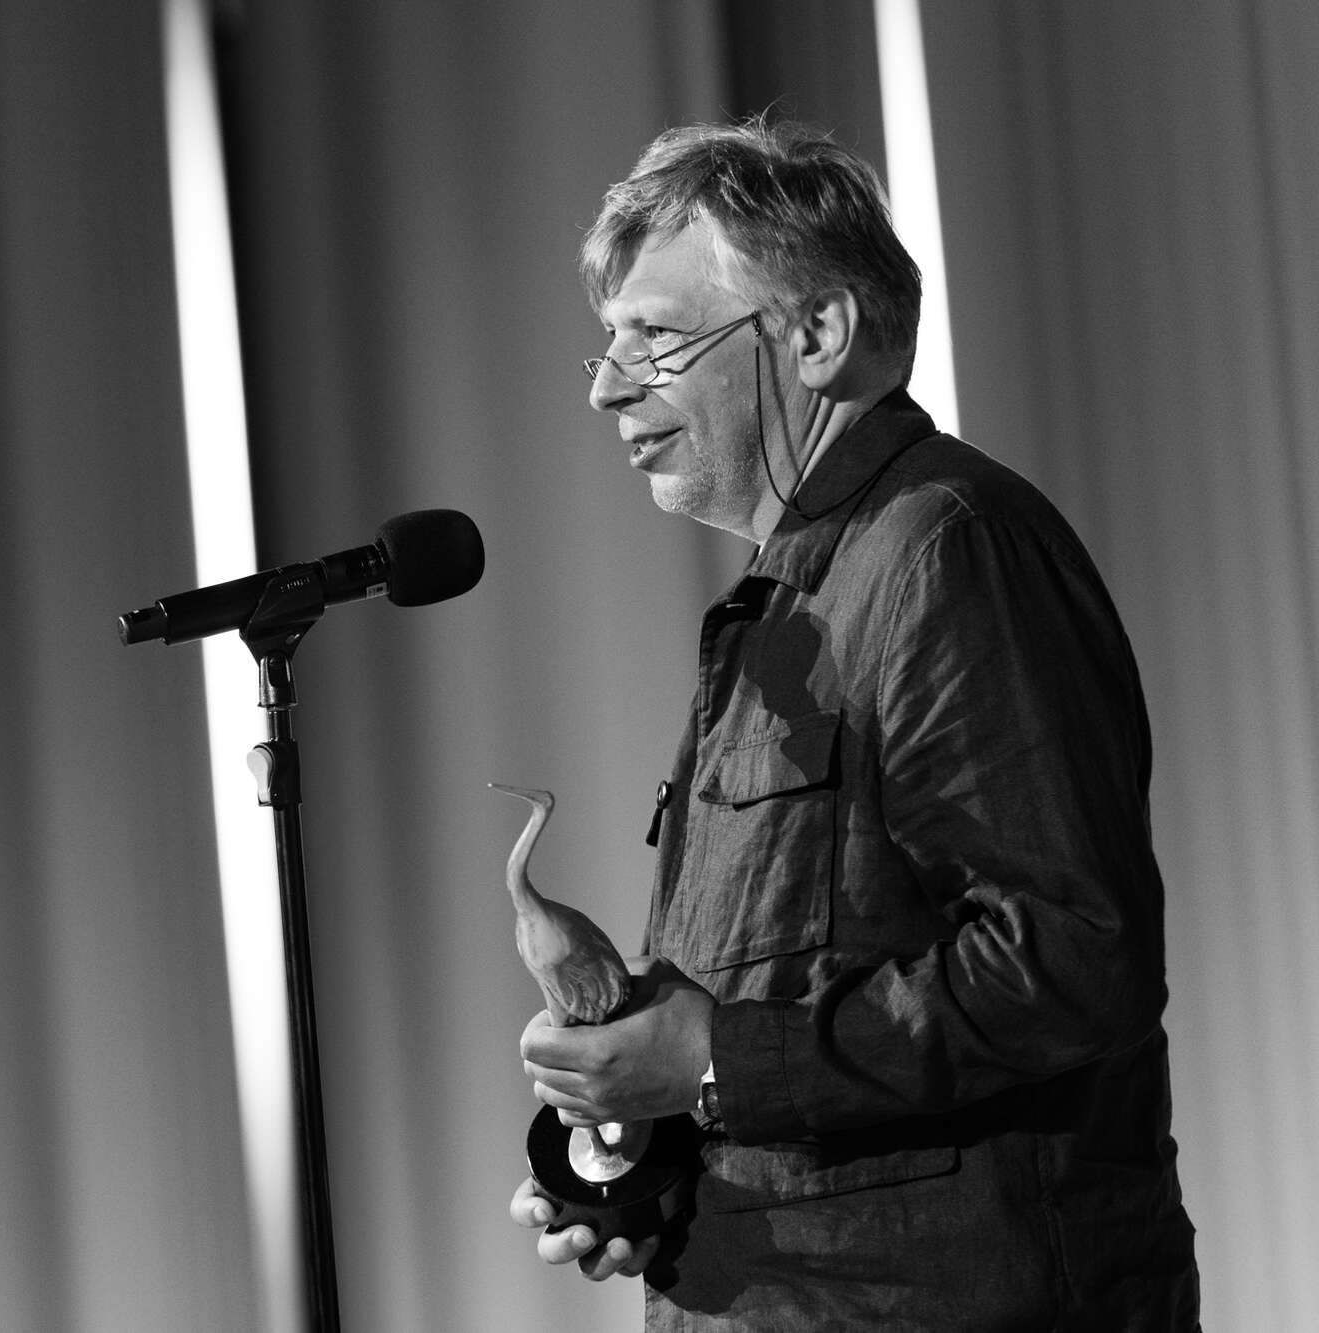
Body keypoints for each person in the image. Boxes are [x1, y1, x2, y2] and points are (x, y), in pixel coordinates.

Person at [508, 118, 1199, 1329]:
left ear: (815, 335)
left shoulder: (946, 551)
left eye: (654, 338)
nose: (608, 386)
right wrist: (650, 1168)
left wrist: (714, 1060)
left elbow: (1068, 955)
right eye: (605, 346)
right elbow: (801, 993)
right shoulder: (790, 599)